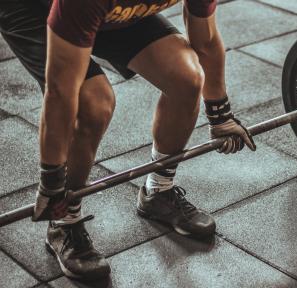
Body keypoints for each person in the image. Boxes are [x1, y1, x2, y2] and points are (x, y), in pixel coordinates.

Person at [0, 0, 256, 280]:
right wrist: (51, 181)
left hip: (109, 11)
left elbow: (204, 42)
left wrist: (221, 115)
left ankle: (158, 191)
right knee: (93, 103)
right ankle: (64, 222)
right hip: (32, 8)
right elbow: (62, 93)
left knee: (187, 77)